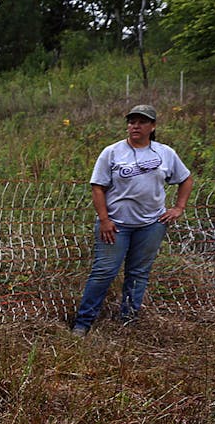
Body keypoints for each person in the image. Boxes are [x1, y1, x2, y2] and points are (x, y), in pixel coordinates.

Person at [71, 104, 194, 335]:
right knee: (104, 272)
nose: (135, 126)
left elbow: (185, 179)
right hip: (116, 225)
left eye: (142, 122)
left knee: (138, 273)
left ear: (153, 126)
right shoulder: (112, 152)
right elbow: (97, 187)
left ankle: (128, 319)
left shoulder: (165, 153)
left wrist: (179, 207)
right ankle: (83, 323)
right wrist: (104, 220)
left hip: (151, 225)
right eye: (131, 121)